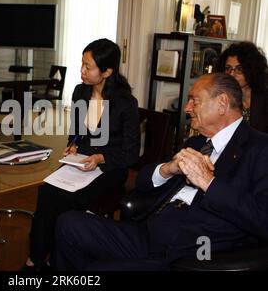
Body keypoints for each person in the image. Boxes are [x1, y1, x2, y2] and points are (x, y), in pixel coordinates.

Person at [55, 73, 268, 270]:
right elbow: (142, 182)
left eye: (195, 100)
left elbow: (262, 219)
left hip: (191, 252)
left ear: (222, 103)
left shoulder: (260, 149)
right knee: (68, 223)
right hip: (148, 232)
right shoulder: (196, 142)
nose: (186, 107)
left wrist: (208, 182)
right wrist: (167, 169)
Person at [23, 38, 140, 270]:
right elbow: (76, 132)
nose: (82, 71)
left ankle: (58, 258)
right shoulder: (80, 92)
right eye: (82, 64)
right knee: (46, 191)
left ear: (107, 71)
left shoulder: (126, 103)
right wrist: (73, 145)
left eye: (88, 67)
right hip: (80, 163)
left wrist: (101, 158)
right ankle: (35, 258)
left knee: (67, 199)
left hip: (109, 169)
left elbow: (131, 153)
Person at [216, 41, 268, 133]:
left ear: (252, 70)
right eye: (228, 68)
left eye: (239, 69)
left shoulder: (265, 98)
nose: (232, 74)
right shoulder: (220, 98)